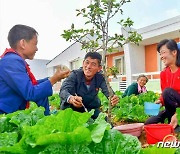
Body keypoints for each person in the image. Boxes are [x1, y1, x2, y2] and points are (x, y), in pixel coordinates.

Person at [0, 24, 70, 115]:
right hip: (4, 116)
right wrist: (54, 79)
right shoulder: (11, 62)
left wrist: (53, 78)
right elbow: (30, 93)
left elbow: (31, 85)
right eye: (35, 44)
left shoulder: (12, 60)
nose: (36, 48)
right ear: (23, 43)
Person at [59, 52, 119, 119]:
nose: (88, 67)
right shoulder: (74, 75)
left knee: (106, 124)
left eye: (93, 64)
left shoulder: (100, 77)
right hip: (71, 109)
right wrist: (71, 99)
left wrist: (113, 98)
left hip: (90, 108)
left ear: (99, 68)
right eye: (87, 63)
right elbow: (63, 90)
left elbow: (108, 91)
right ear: (83, 63)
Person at [145, 39, 180, 129]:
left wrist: (178, 114)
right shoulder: (164, 73)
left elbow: (167, 93)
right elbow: (165, 95)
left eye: (163, 52)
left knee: (168, 92)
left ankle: (174, 124)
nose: (161, 56)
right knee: (149, 122)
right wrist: (159, 102)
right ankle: (171, 122)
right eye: (160, 54)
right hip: (171, 109)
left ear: (174, 52)